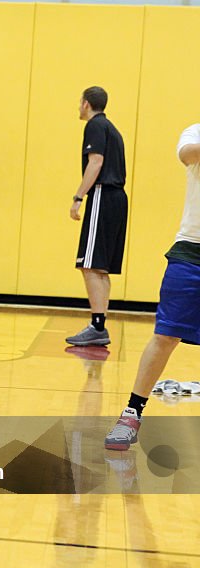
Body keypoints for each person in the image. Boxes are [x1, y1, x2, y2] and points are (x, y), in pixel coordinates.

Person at [104, 123, 200, 450]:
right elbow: (188, 155)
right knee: (165, 335)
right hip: (191, 251)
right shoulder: (195, 132)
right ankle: (132, 412)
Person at [66, 86, 127, 348]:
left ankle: (97, 326)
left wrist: (78, 197)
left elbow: (96, 162)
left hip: (103, 194)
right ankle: (99, 324)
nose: (78, 106)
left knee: (88, 264)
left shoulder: (95, 126)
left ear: (87, 103)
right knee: (100, 267)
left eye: (80, 101)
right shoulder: (112, 128)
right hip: (118, 199)